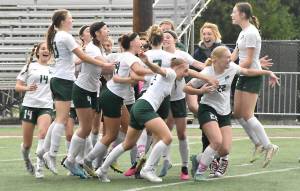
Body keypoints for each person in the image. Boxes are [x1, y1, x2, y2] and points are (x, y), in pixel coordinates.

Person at [184, 46, 279, 181]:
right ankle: (200, 172)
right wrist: (201, 91)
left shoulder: (232, 68)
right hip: (208, 108)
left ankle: (198, 159)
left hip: (224, 112)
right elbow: (186, 88)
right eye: (227, 57)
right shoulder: (206, 72)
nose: (230, 60)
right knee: (216, 141)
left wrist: (267, 73)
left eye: (230, 57)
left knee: (224, 150)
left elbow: (247, 71)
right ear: (216, 60)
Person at [40, 9, 114, 175]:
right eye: (70, 18)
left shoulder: (57, 36)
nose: (72, 21)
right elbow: (84, 56)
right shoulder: (65, 36)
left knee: (63, 120)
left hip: (61, 77)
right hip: (66, 79)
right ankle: (52, 154)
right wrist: (104, 64)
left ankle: (48, 152)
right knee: (62, 119)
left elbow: (76, 58)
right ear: (62, 21)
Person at [96, 57, 189, 183]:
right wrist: (148, 63)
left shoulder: (158, 76)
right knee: (167, 137)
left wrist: (129, 73)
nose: (186, 74)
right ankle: (148, 169)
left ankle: (102, 170)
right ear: (178, 67)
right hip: (145, 107)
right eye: (185, 70)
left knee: (128, 144)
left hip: (138, 106)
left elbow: (137, 76)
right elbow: (158, 69)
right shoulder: (171, 73)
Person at [82, 32, 152, 177]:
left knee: (131, 133)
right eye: (139, 40)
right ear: (132, 43)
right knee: (111, 135)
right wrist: (159, 71)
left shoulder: (124, 56)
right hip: (112, 97)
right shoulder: (130, 57)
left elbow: (127, 76)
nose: (141, 42)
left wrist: (145, 76)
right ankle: (89, 161)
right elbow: (137, 71)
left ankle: (125, 165)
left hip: (115, 96)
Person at [231, 2, 279, 167]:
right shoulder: (243, 32)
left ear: (243, 14)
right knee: (237, 114)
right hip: (242, 74)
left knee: (248, 115)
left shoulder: (251, 33)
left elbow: (249, 60)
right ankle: (257, 144)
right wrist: (222, 67)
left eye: (234, 12)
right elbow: (234, 56)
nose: (232, 15)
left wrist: (231, 70)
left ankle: (269, 146)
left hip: (252, 76)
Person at [63, 21, 113, 178]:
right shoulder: (91, 48)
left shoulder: (99, 48)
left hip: (92, 90)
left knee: (88, 129)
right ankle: (71, 160)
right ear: (97, 33)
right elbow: (106, 66)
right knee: (85, 128)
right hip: (82, 89)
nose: (108, 31)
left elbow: (105, 70)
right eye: (105, 29)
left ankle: (81, 160)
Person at [16, 42, 53, 179]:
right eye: (43, 49)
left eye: (48, 49)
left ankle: (39, 167)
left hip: (46, 106)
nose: (46, 51)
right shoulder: (29, 66)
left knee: (43, 134)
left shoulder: (54, 69)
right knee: (27, 144)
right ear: (37, 52)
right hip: (29, 105)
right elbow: (18, 86)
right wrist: (27, 88)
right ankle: (27, 160)